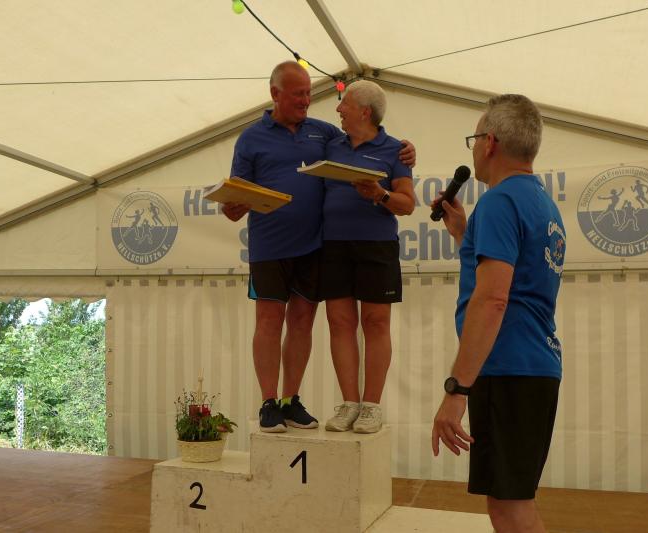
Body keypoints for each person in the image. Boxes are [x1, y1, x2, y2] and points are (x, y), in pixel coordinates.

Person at [223, 62, 415, 433]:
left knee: (303, 322)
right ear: (275, 94)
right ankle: (269, 403)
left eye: (309, 93)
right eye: (299, 94)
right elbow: (237, 194)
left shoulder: (323, 133)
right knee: (272, 321)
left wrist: (405, 150)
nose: (307, 101)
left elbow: (368, 140)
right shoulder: (251, 138)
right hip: (270, 245)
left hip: (315, 246)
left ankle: (291, 400)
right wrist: (232, 207)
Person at [431, 94, 565, 533]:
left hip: (508, 368)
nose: (473, 149)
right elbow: (519, 282)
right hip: (534, 365)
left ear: (489, 143)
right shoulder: (542, 203)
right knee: (514, 503)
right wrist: (464, 234)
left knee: (509, 510)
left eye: (474, 139)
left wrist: (456, 390)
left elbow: (493, 300)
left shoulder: (499, 201)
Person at [320, 80, 416, 434]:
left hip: (377, 245)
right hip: (333, 244)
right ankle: (349, 403)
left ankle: (371, 406)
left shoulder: (396, 150)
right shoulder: (332, 144)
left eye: (344, 104)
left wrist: (379, 194)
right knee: (339, 323)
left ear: (364, 111)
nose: (338, 109)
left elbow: (407, 204)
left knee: (375, 323)